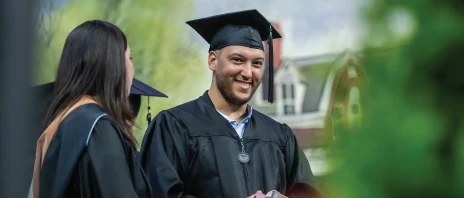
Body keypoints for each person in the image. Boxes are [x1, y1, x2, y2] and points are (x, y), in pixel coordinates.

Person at [139, 9, 320, 198]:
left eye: (257, 63)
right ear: (212, 61)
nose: (248, 72)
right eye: (237, 60)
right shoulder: (174, 127)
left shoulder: (279, 137)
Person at [31, 20, 152, 198]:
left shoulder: (60, 122)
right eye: (129, 57)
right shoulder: (98, 128)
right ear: (113, 64)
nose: (131, 67)